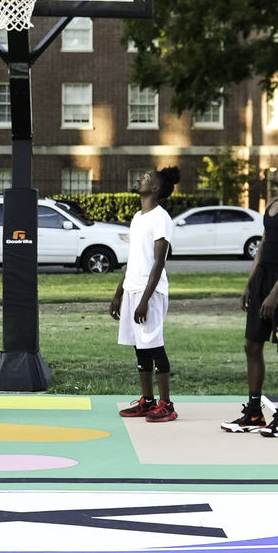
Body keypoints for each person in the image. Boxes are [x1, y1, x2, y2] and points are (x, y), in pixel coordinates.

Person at [224, 160, 278, 437]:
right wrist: (251, 283)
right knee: (252, 345)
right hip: (262, 280)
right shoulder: (272, 205)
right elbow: (262, 246)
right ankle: (254, 413)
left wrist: (275, 293)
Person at [112, 165, 179, 421]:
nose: (141, 178)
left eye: (147, 177)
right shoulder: (139, 217)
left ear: (156, 188)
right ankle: (148, 401)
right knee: (140, 347)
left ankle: (166, 405)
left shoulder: (160, 217)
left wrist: (145, 300)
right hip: (133, 289)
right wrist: (119, 293)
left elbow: (158, 262)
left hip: (150, 292)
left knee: (154, 345)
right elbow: (134, 259)